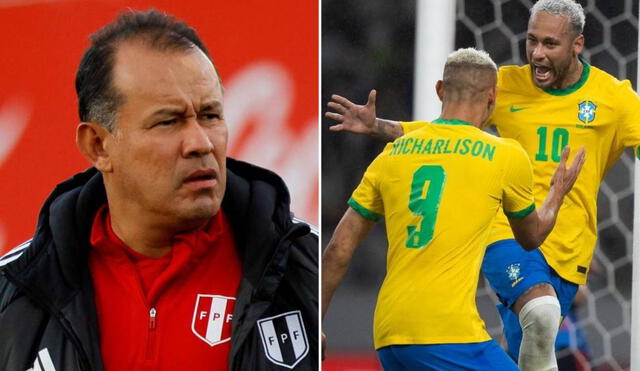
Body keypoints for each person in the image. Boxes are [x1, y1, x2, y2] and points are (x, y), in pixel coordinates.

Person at [325, 0, 640, 369]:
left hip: (568, 250)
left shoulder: (615, 99)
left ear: (577, 44)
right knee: (540, 309)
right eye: (531, 41)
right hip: (509, 232)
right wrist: (381, 127)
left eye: (550, 44)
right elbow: (447, 130)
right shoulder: (503, 85)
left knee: (530, 344)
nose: (537, 54)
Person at [0, 10, 318, 371]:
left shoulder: (306, 269)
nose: (200, 143)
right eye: (168, 122)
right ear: (99, 146)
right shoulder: (16, 291)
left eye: (211, 115)